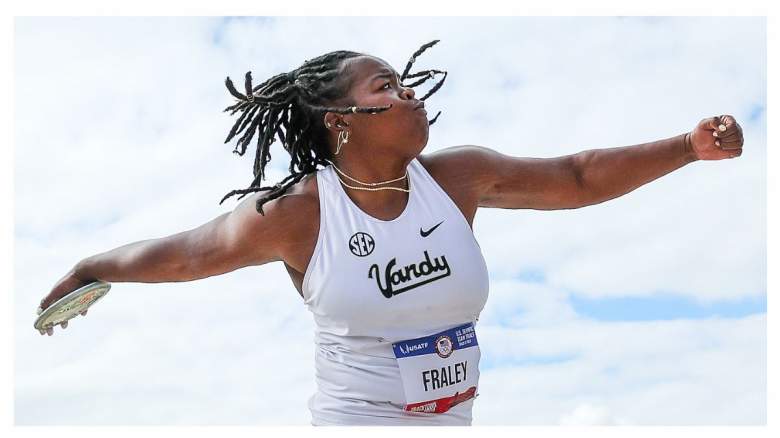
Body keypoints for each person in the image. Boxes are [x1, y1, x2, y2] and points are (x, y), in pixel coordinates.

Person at [37, 40, 745, 426]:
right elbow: (189, 255)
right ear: (338, 121)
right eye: (384, 87)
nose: (407, 93)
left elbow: (578, 176)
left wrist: (687, 146)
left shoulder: (459, 179)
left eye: (404, 81)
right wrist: (94, 265)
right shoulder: (300, 213)